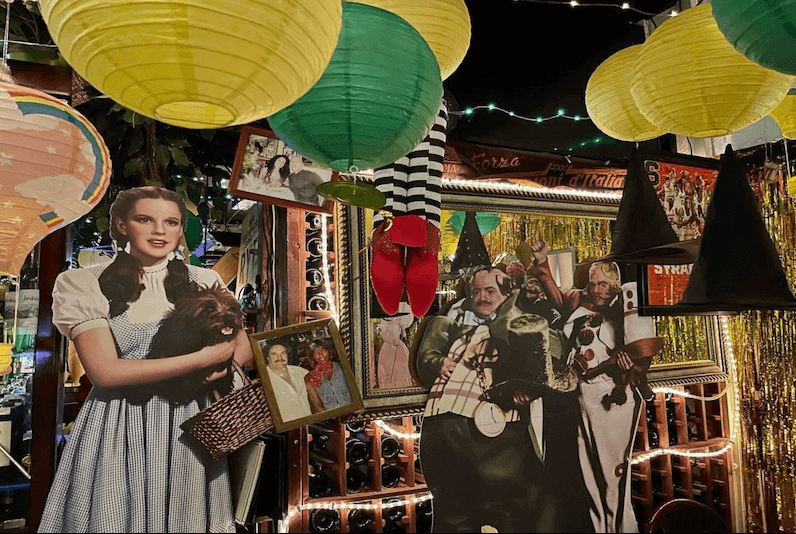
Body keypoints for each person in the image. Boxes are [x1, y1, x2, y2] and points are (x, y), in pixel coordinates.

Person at [38, 186, 252, 533]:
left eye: (171, 222)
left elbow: (240, 347)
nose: (159, 231)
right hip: (120, 423)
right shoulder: (84, 283)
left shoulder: (205, 281)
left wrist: (213, 373)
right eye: (145, 219)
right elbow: (106, 372)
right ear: (121, 225)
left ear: (181, 230)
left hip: (190, 425)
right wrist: (202, 361)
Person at [416, 266, 565, 533]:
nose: (482, 297)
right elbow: (427, 361)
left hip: (495, 425)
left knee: (517, 501)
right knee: (458, 506)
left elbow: (548, 360)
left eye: (490, 291)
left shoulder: (518, 323)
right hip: (448, 421)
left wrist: (529, 388)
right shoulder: (453, 324)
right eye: (476, 291)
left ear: (507, 294)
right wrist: (439, 363)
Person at [264, 342, 313, 422]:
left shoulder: (302, 372)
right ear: (268, 358)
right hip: (286, 431)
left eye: (283, 353)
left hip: (310, 424)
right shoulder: (264, 380)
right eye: (274, 354)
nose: (279, 357)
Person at [304, 343, 352, 412]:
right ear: (312, 357)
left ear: (328, 351)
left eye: (323, 350)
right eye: (315, 352)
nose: (321, 354)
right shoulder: (310, 378)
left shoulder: (343, 367)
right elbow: (318, 406)